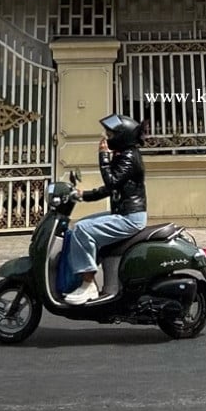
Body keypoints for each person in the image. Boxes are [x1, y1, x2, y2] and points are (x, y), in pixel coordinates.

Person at [62, 116, 148, 304]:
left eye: (110, 134)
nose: (106, 138)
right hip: (124, 214)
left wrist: (103, 156)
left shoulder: (129, 157)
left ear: (122, 136)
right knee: (81, 225)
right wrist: (83, 195)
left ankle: (88, 285)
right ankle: (86, 278)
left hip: (130, 218)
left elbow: (111, 182)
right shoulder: (124, 154)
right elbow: (111, 189)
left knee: (82, 230)